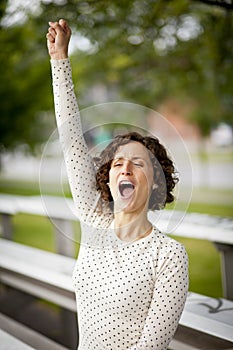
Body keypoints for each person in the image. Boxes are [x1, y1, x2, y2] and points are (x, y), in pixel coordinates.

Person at [46, 19, 189, 350]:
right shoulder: (94, 220)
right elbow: (70, 140)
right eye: (117, 163)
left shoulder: (168, 255)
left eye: (138, 163)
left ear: (156, 184)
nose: (125, 168)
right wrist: (59, 61)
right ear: (107, 179)